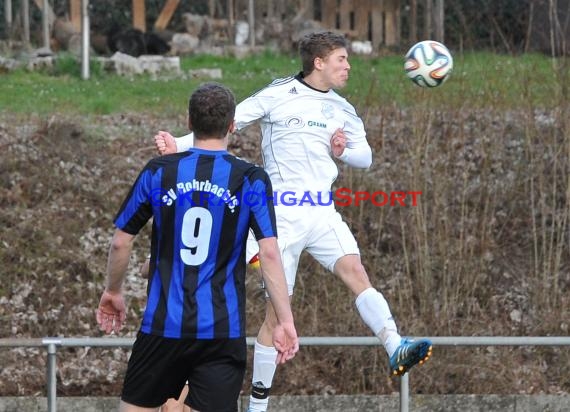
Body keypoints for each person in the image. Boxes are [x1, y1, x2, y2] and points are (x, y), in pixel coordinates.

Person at [155, 31, 432, 412]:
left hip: (321, 210)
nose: (348, 66)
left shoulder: (343, 110)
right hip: (281, 214)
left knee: (355, 271)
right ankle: (258, 405)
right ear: (319, 62)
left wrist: (344, 150)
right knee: (277, 312)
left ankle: (395, 345)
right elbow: (228, 124)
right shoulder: (278, 94)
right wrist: (180, 143)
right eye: (341, 59)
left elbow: (365, 157)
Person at [96, 82, 299, 412]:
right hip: (221, 331)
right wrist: (284, 320)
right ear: (232, 125)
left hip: (163, 327)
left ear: (188, 123)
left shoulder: (158, 172)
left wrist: (113, 292)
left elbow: (121, 242)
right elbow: (270, 253)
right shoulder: (251, 179)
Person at [140, 256, 192, 412]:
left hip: (186, 335)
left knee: (172, 406)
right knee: (179, 406)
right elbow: (144, 270)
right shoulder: (171, 243)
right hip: (169, 333)